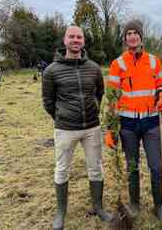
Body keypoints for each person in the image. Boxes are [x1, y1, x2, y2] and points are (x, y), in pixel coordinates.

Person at [42, 26, 112, 230]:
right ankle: (61, 212)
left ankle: (98, 207)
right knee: (62, 169)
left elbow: (100, 92)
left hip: (92, 127)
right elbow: (48, 101)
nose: (75, 40)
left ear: (83, 41)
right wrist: (62, 116)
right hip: (65, 129)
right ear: (64, 41)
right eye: (71, 36)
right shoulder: (51, 71)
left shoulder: (94, 68)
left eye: (79, 37)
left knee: (96, 167)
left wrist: (94, 110)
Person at [104, 20, 162, 220]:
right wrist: (110, 129)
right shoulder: (118, 64)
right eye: (128, 33)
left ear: (141, 37)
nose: (132, 36)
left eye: (136, 33)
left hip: (151, 122)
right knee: (132, 166)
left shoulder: (153, 61)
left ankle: (160, 205)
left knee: (156, 167)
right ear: (125, 38)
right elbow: (112, 98)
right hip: (128, 124)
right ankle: (134, 204)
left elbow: (161, 84)